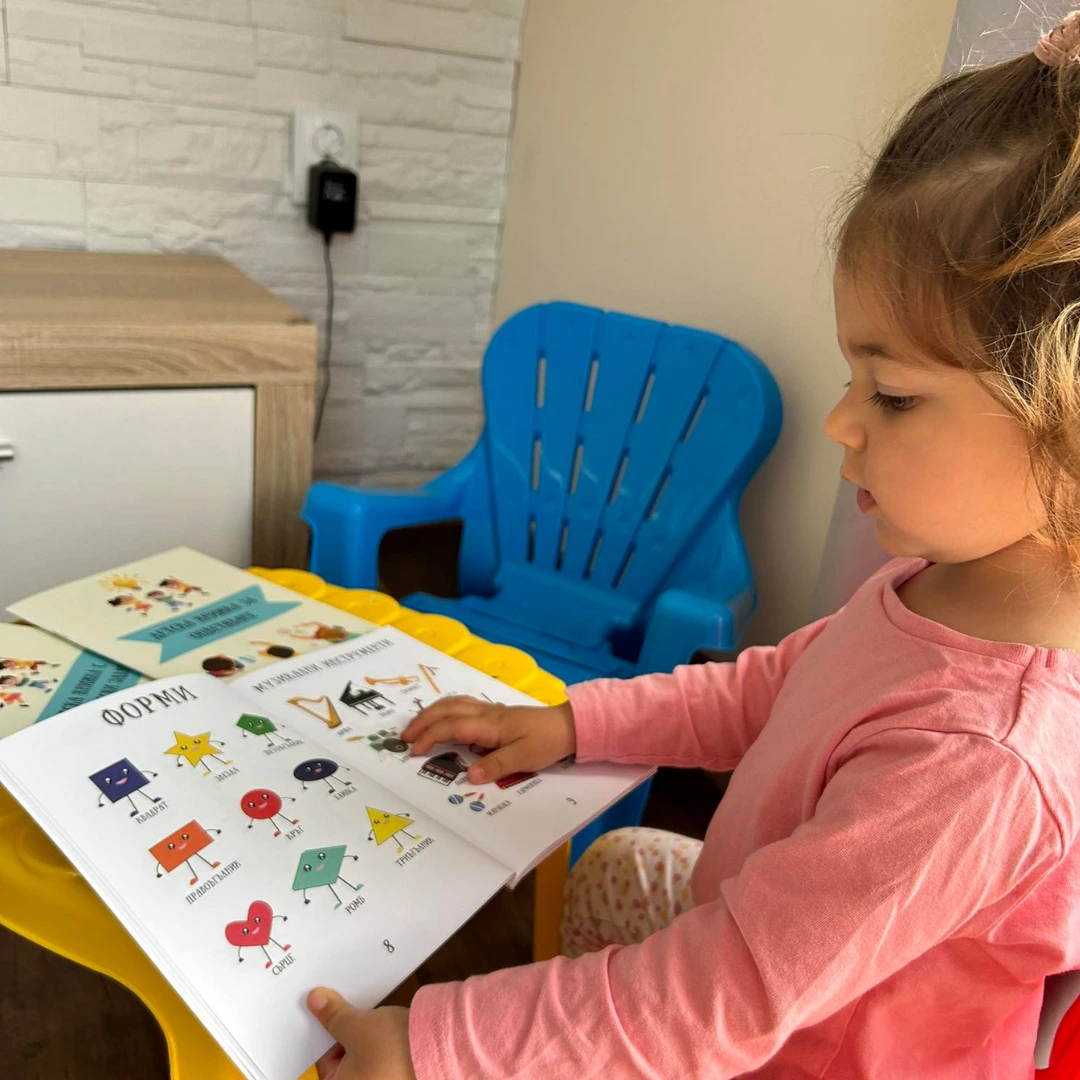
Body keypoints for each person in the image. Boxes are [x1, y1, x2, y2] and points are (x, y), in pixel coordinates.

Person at [304, 11, 1080, 1078]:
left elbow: (716, 999)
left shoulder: (982, 761)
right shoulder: (941, 581)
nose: (840, 421)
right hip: (760, 988)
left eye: (894, 394)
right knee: (618, 861)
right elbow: (773, 689)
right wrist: (575, 722)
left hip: (794, 1055)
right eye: (854, 376)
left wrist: (436, 1044)